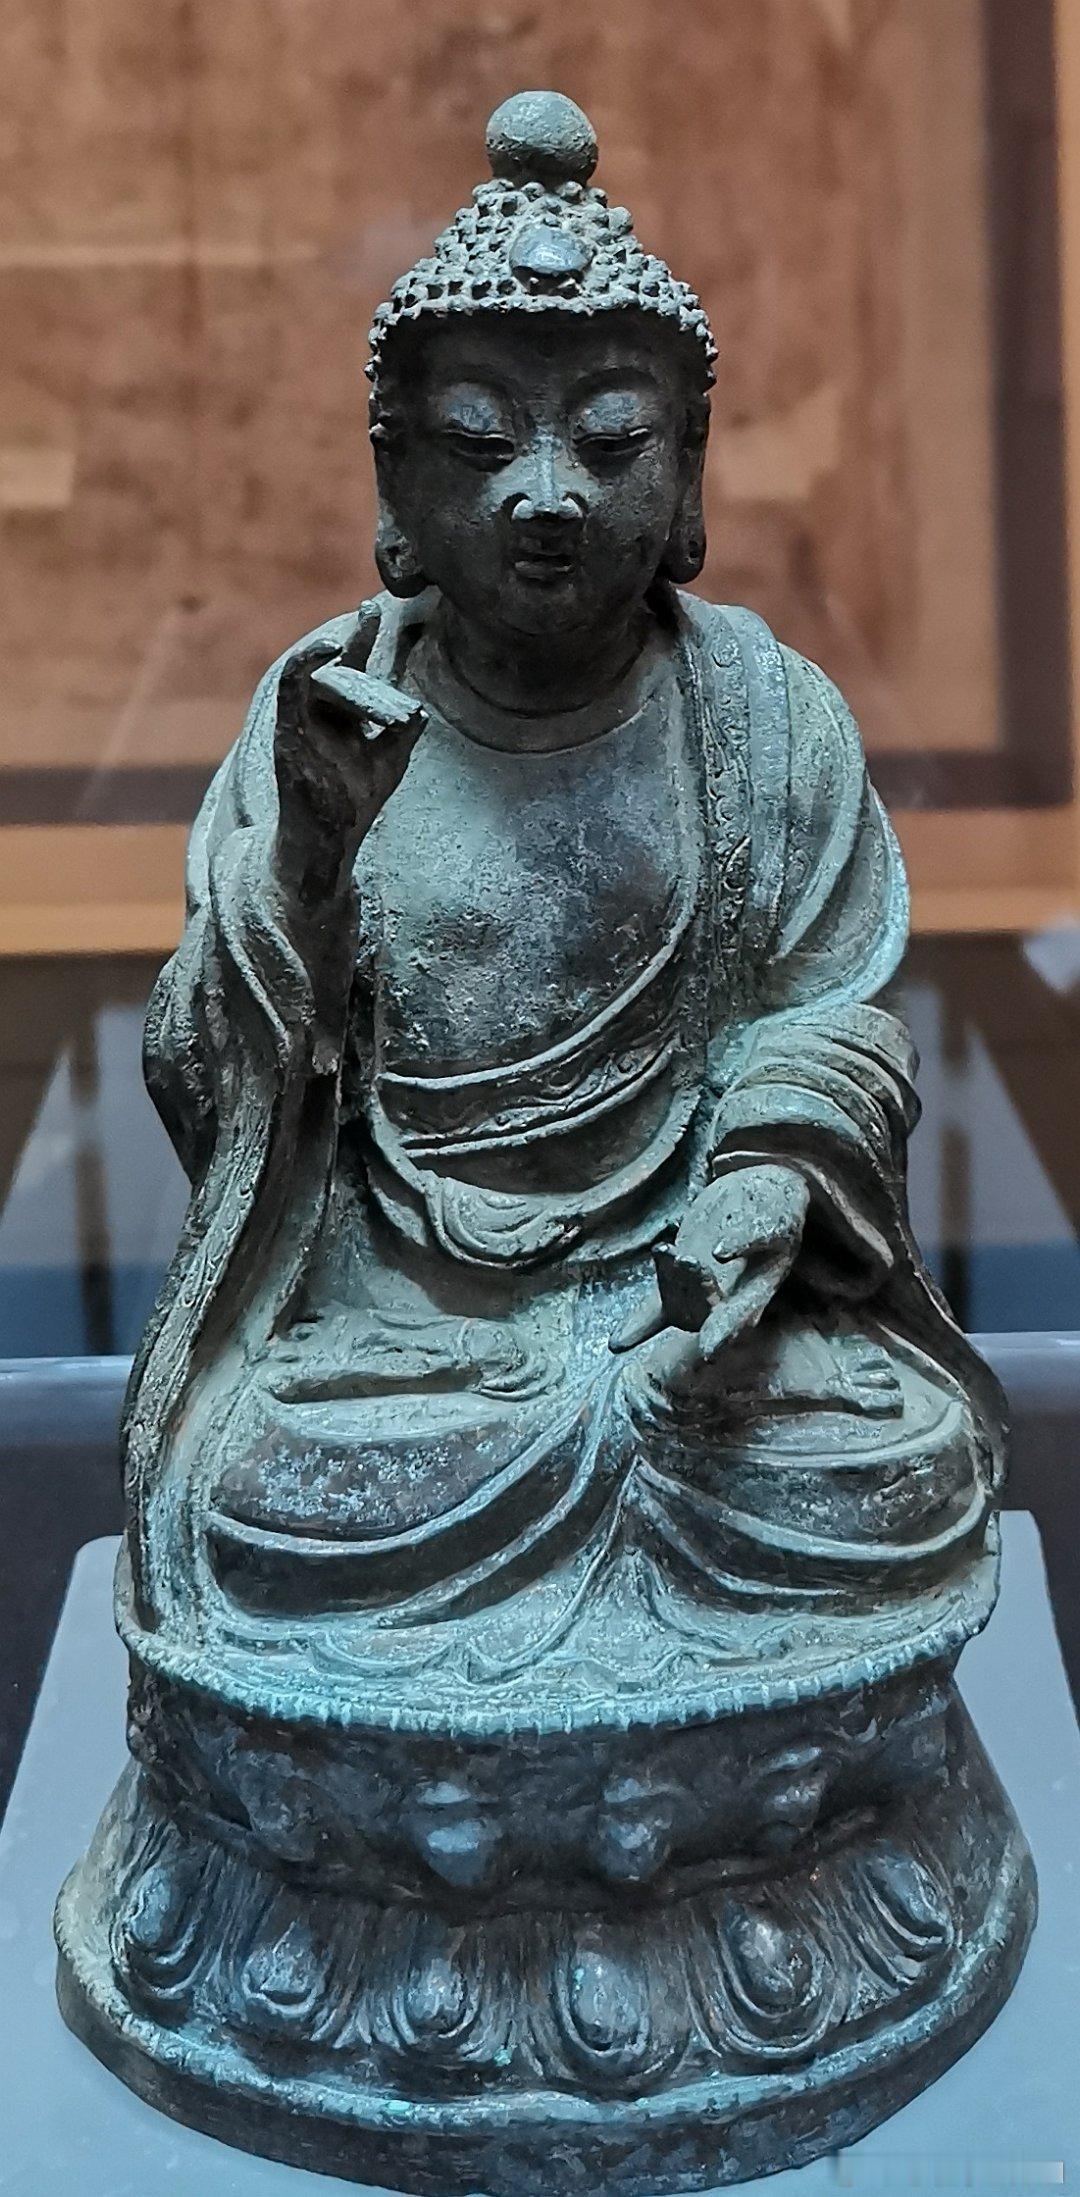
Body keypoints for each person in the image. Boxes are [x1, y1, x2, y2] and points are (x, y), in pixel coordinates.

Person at [122, 91, 1002, 1651]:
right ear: (396, 483)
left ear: (690, 466)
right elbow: (201, 1073)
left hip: (688, 1303)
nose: (547, 493)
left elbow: (829, 1024)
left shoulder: (766, 716)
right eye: (479, 442)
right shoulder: (325, 704)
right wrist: (307, 867)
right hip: (406, 1322)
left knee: (895, 1471)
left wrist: (759, 1190)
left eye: (609, 441)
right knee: (260, 1490)